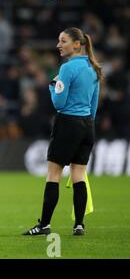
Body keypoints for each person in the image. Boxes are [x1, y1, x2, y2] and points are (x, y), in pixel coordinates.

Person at [23, 27, 102, 236]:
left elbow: (59, 103)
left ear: (77, 44)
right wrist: (87, 123)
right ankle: (79, 225)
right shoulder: (94, 67)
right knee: (79, 175)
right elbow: (94, 104)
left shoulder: (67, 69)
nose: (59, 45)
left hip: (68, 123)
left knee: (53, 175)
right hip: (87, 125)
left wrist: (52, 84)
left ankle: (45, 225)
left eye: (63, 41)